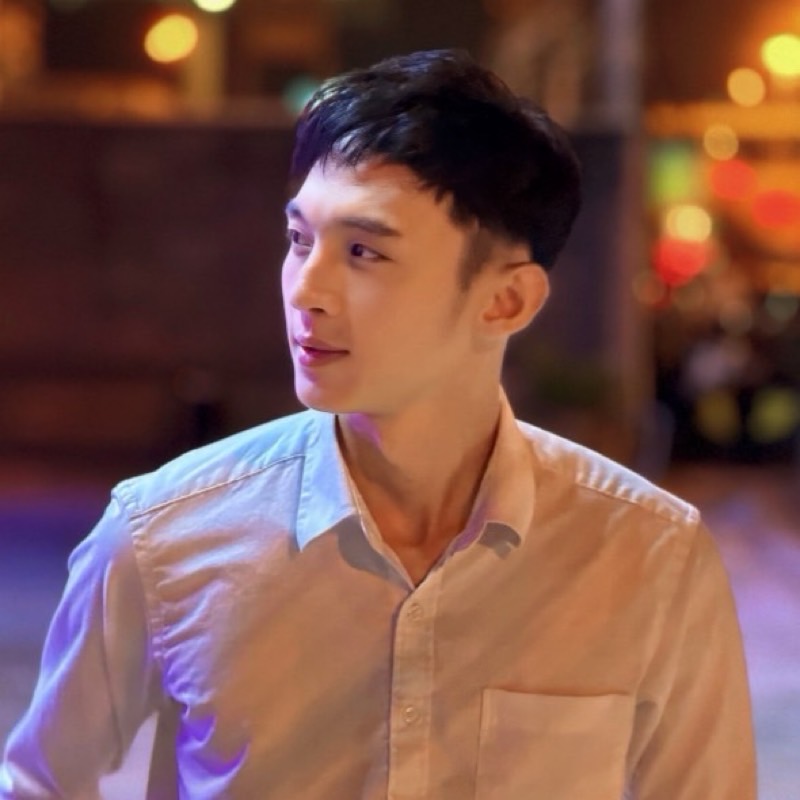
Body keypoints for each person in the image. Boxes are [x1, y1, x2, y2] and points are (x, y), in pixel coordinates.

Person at [1, 49, 754, 799]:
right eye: (300, 240)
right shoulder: (164, 533)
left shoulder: (648, 556)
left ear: (507, 301)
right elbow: (38, 781)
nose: (308, 290)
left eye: (364, 251)